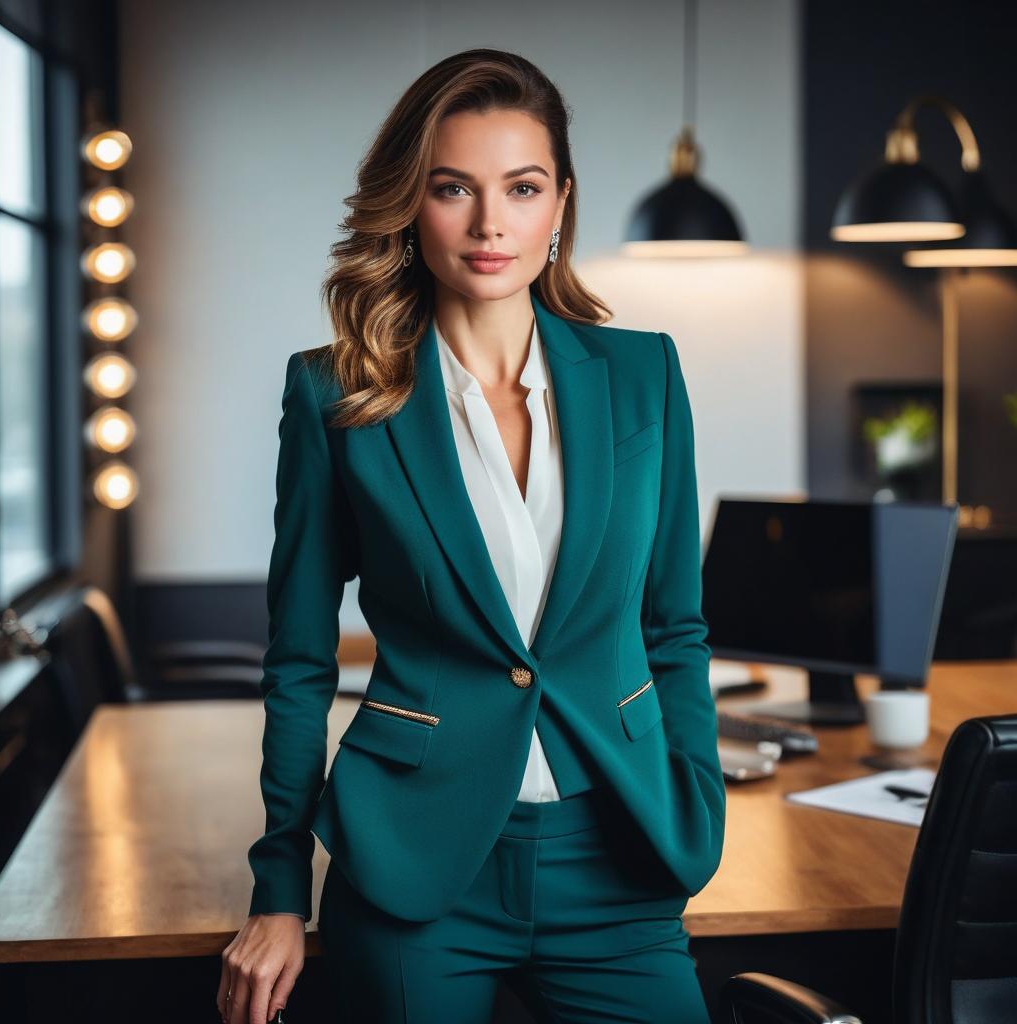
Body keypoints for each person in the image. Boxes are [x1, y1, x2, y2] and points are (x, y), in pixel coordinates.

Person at [218, 47, 725, 1024]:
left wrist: (692, 793)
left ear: (560, 203)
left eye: (521, 187)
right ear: (410, 204)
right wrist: (278, 886)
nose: (491, 224)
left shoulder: (644, 377)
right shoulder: (335, 395)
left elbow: (675, 628)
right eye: (453, 189)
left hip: (617, 860)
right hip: (414, 870)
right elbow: (298, 660)